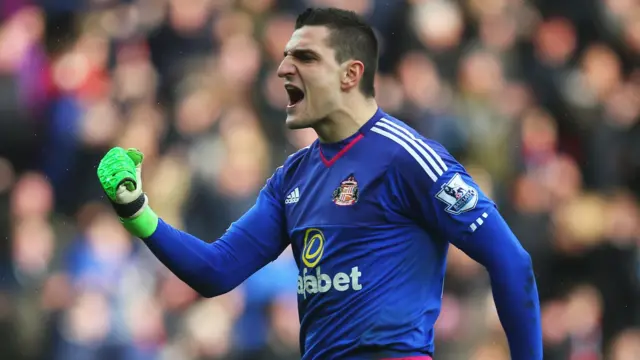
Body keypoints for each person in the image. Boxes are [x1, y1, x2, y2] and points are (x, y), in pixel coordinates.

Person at [96, 7, 543, 360]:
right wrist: (137, 212)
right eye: (286, 56)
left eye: (304, 57)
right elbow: (217, 270)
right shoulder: (292, 178)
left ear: (351, 74)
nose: (283, 69)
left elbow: (511, 262)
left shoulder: (407, 157)